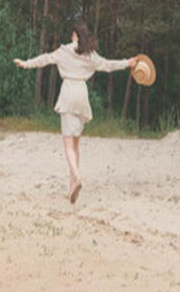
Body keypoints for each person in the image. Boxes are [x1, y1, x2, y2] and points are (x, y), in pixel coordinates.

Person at [14, 21, 136, 204]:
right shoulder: (89, 54)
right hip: (82, 94)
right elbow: (108, 65)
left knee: (68, 145)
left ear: (75, 35)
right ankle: (72, 185)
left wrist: (25, 63)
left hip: (69, 93)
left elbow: (45, 59)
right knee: (76, 144)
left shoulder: (65, 50)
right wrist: (128, 62)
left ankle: (77, 177)